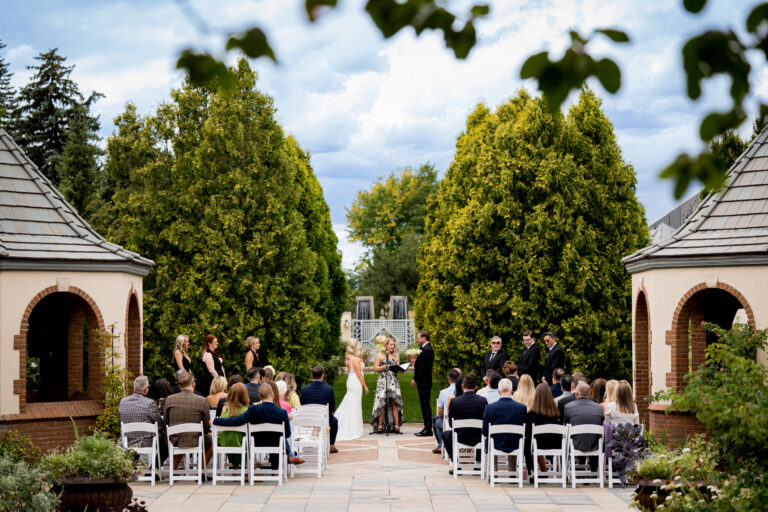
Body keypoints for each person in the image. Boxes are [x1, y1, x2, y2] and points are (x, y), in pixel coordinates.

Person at [214, 384, 305, 467]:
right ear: (272, 394)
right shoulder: (282, 413)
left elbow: (236, 421)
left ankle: (287, 457)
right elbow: (288, 434)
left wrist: (217, 420)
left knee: (277, 437)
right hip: (275, 444)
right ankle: (276, 470)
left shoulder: (252, 410)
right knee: (279, 438)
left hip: (256, 443)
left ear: (259, 396)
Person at [164, 372, 212, 467]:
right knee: (211, 442)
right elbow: (206, 425)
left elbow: (165, 422)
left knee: (181, 438)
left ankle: (173, 469)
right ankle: (201, 471)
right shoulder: (202, 400)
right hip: (195, 439)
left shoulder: (170, 399)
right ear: (193, 384)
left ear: (179, 385)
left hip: (175, 440)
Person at [442, 373, 487, 465]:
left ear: (462, 386)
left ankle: (456, 462)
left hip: (460, 437)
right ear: (476, 387)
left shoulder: (454, 401)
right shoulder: (483, 401)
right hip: (478, 437)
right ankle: (478, 462)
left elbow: (451, 423)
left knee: (446, 434)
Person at [119, 376, 166, 463]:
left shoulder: (123, 402)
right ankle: (153, 468)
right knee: (164, 440)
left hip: (126, 441)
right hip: (144, 443)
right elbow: (159, 425)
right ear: (145, 390)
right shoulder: (150, 403)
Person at [482, 378, 527, 460]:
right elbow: (525, 431)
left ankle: (494, 469)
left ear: (498, 391)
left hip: (495, 444)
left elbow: (485, 432)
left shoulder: (489, 408)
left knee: (491, 439)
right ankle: (512, 470)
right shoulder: (522, 408)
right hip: (516, 444)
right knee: (514, 437)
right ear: (512, 391)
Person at [563, 382, 604, 470]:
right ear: (590, 394)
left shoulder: (568, 407)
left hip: (575, 445)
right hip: (595, 445)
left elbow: (566, 426)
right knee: (593, 437)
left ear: (576, 394)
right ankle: (594, 471)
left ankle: (576, 471)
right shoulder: (599, 408)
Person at [335, 339, 369, 441]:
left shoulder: (353, 358)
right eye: (359, 347)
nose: (360, 348)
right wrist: (365, 386)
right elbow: (359, 374)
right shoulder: (354, 359)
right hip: (355, 382)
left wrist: (361, 356)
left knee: (353, 403)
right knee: (354, 404)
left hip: (352, 381)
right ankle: (352, 429)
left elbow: (361, 367)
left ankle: (355, 428)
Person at [300, 365, 339, 453]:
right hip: (323, 419)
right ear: (322, 376)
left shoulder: (304, 389)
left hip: (308, 419)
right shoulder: (329, 389)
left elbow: (301, 405)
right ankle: (331, 445)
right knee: (335, 421)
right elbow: (332, 407)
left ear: (312, 375)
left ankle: (309, 441)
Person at [524, 383, 561, 474]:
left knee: (528, 441)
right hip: (556, 444)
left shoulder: (531, 415)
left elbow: (527, 434)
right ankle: (543, 470)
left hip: (537, 445)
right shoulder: (556, 414)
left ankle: (531, 470)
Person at [372, 338, 403, 434]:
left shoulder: (396, 355)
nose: (393, 346)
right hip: (383, 381)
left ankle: (396, 425)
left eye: (394, 344)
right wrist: (384, 366)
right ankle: (380, 425)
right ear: (386, 345)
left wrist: (400, 370)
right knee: (383, 402)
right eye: (391, 344)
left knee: (394, 402)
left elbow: (398, 369)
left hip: (393, 381)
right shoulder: (380, 355)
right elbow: (376, 368)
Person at [217, 382, 250, 467]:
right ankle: (245, 465)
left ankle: (235, 466)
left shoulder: (225, 408)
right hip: (240, 443)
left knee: (232, 436)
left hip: (223, 442)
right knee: (247, 439)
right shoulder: (246, 410)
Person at [412, 330, 434, 437]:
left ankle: (428, 429)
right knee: (424, 404)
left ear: (424, 338)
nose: (417, 340)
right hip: (423, 381)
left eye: (418, 338)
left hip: (424, 382)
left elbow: (423, 368)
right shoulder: (424, 349)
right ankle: (426, 427)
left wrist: (415, 379)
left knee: (425, 404)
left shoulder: (428, 350)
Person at [432, 368, 460, 454]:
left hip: (449, 421)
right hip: (462, 422)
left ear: (448, 379)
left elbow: (440, 413)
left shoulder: (444, 392)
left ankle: (441, 445)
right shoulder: (463, 391)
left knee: (436, 421)